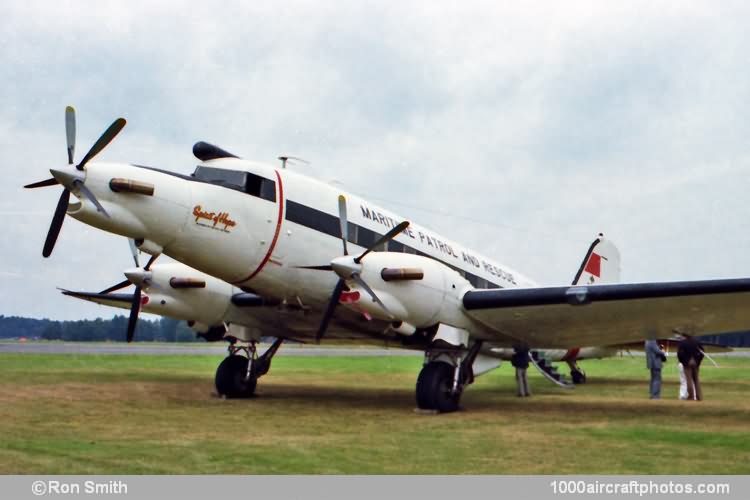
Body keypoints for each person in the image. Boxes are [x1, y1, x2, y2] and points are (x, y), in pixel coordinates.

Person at [678, 335, 703, 400]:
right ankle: (699, 397)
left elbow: (680, 354)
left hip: (687, 363)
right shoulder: (697, 342)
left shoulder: (683, 343)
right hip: (695, 363)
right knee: (696, 380)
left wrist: (682, 361)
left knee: (689, 380)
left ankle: (691, 396)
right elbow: (702, 352)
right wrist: (698, 361)